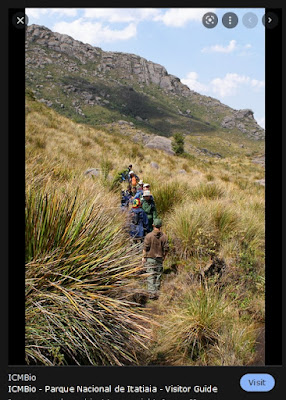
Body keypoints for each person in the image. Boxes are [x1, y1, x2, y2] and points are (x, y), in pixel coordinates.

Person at [142, 218, 169, 299]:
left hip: (150, 258)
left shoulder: (148, 236)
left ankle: (151, 294)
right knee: (158, 276)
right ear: (161, 226)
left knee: (150, 276)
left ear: (153, 225)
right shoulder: (165, 237)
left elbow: (145, 248)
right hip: (159, 259)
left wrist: (143, 257)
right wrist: (164, 257)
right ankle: (156, 292)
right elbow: (166, 249)